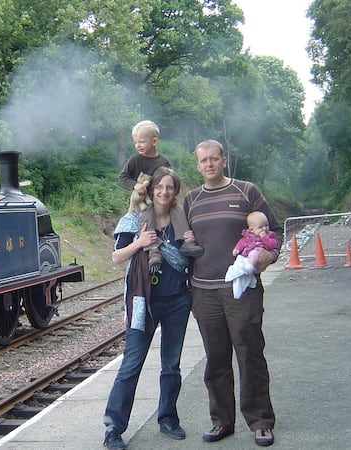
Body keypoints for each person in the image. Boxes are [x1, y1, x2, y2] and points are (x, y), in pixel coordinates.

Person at [182, 139, 281, 447]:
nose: (209, 164)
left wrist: (268, 257)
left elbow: (275, 232)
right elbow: (185, 244)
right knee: (215, 358)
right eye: (203, 161)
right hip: (204, 291)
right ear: (197, 165)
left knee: (249, 352)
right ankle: (222, 421)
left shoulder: (246, 191)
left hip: (242, 290)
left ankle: (260, 420)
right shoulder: (191, 199)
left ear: (224, 160)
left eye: (214, 159)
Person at [103, 167, 193, 450]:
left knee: (171, 365)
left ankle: (167, 417)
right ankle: (114, 427)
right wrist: (140, 243)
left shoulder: (182, 220)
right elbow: (117, 257)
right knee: (131, 365)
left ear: (175, 191)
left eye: (170, 187)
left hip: (177, 299)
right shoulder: (134, 219)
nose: (164, 192)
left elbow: (191, 255)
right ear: (151, 190)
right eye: (159, 187)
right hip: (144, 301)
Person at [119, 120, 202, 273]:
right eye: (135, 142)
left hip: (162, 198)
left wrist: (172, 194)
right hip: (144, 201)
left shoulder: (163, 162)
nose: (138, 145)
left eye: (141, 142)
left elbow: (171, 180)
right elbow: (123, 177)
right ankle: (153, 251)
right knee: (147, 216)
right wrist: (134, 185)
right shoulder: (135, 160)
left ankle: (185, 241)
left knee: (178, 210)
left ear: (154, 141)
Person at [225, 211, 279, 299]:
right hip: (245, 255)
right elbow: (242, 242)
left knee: (253, 254)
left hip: (257, 252)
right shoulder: (248, 236)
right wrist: (237, 249)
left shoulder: (269, 236)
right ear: (251, 229)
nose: (264, 229)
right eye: (260, 227)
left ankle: (249, 267)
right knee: (239, 261)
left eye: (266, 225)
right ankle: (237, 277)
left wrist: (264, 237)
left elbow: (272, 245)